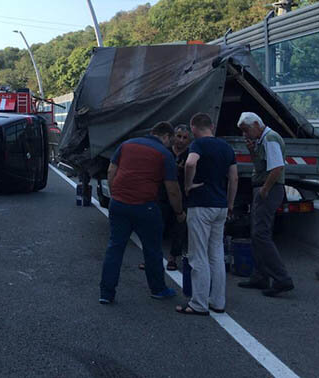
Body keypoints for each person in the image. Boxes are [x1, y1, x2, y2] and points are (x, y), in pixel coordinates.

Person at [99, 121, 185, 304]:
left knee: (115, 247)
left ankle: (106, 293)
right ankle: (158, 289)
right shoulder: (164, 154)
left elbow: (111, 171)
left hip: (119, 204)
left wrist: (115, 195)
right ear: (166, 136)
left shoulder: (126, 145)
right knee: (152, 249)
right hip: (145, 206)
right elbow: (172, 188)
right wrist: (179, 212)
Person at [175, 113, 237, 316]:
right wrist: (230, 204)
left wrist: (188, 185)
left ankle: (198, 303)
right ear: (212, 126)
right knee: (216, 254)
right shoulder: (227, 148)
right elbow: (234, 178)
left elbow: (191, 163)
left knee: (198, 254)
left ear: (193, 128)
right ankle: (218, 301)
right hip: (220, 206)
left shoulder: (199, 145)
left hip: (201, 205)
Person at [236, 112, 294, 297]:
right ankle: (261, 275)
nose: (245, 135)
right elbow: (261, 165)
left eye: (246, 130)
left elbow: (277, 167)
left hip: (269, 188)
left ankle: (281, 278)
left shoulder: (270, 139)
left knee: (261, 234)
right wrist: (252, 150)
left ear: (255, 124)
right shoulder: (263, 140)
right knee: (258, 233)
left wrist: (264, 190)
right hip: (266, 187)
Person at [138, 124, 191, 271]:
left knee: (179, 229)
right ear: (173, 136)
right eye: (179, 136)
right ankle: (150, 258)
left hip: (181, 196)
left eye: (184, 138)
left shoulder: (190, 155)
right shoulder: (164, 152)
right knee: (155, 228)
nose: (181, 140)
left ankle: (173, 258)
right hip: (162, 195)